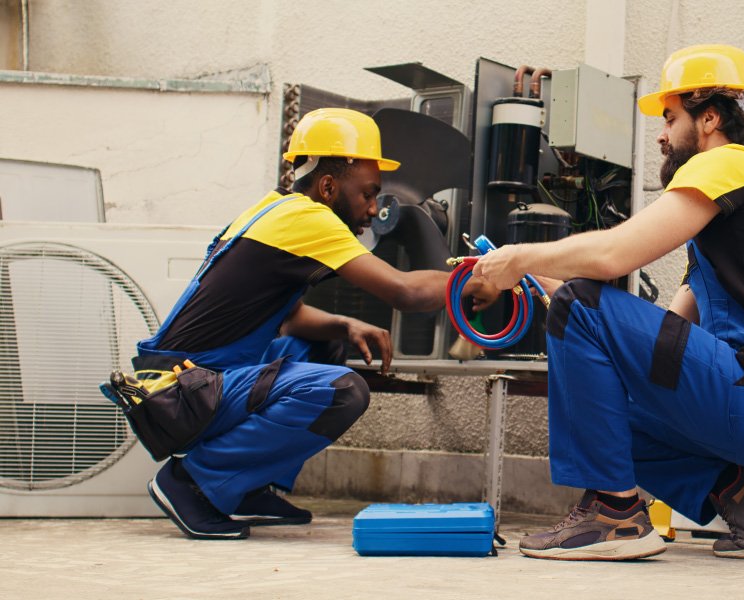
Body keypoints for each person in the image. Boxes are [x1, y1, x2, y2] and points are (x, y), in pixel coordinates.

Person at [473, 45, 744, 561]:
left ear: (710, 117)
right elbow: (661, 342)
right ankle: (735, 490)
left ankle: (614, 516)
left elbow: (614, 255)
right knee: (600, 398)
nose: (662, 135)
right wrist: (550, 290)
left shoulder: (729, 164)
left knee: (583, 304)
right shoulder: (733, 216)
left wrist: (518, 257)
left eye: (670, 117)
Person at [134, 108, 496, 540]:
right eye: (367, 193)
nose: (374, 208)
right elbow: (405, 292)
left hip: (193, 379)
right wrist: (476, 280)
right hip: (184, 393)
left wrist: (344, 325)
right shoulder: (310, 219)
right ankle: (192, 483)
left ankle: (244, 486)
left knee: (325, 346)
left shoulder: (275, 210)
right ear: (328, 187)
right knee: (343, 391)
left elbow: (284, 318)